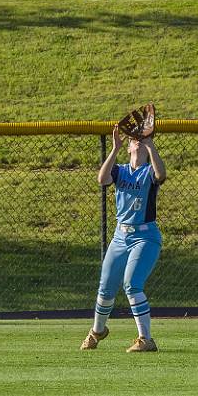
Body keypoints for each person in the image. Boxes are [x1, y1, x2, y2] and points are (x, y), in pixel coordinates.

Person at [80, 124, 166, 352]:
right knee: (106, 286)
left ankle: (145, 339)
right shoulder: (120, 170)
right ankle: (97, 332)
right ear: (128, 148)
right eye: (133, 140)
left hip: (145, 237)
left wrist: (150, 143)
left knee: (132, 283)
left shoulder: (148, 171)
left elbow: (161, 174)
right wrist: (115, 148)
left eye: (141, 140)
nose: (137, 141)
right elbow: (102, 179)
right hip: (120, 236)